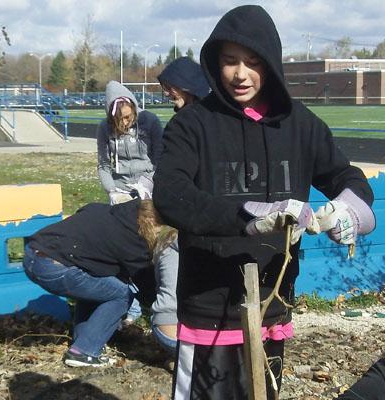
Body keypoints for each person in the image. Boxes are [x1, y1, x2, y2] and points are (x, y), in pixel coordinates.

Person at [152, 5, 375, 400]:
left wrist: (350, 210)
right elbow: (171, 196)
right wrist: (246, 216)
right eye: (230, 61)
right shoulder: (193, 125)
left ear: (270, 63)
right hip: (211, 303)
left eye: (253, 62)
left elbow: (347, 176)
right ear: (215, 62)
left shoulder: (300, 125)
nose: (241, 74)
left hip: (273, 299)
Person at [23, 199, 165, 368]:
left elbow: (83, 217)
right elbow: (145, 284)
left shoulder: (103, 210)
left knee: (98, 286)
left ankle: (83, 340)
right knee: (122, 294)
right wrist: (163, 306)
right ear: (150, 223)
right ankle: (84, 351)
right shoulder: (133, 240)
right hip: (53, 268)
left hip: (32, 254)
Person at [150, 59, 210, 354]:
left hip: (196, 218)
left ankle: (179, 337)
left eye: (170, 88)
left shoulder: (195, 122)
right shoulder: (186, 121)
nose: (167, 93)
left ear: (188, 86)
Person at [97, 80, 163, 324]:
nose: (126, 123)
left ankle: (156, 297)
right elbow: (103, 165)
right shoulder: (104, 130)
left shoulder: (150, 122)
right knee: (123, 248)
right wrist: (112, 190)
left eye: (128, 117)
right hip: (122, 192)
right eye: (120, 119)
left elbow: (160, 158)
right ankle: (132, 304)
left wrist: (147, 184)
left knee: (150, 245)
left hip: (147, 188)